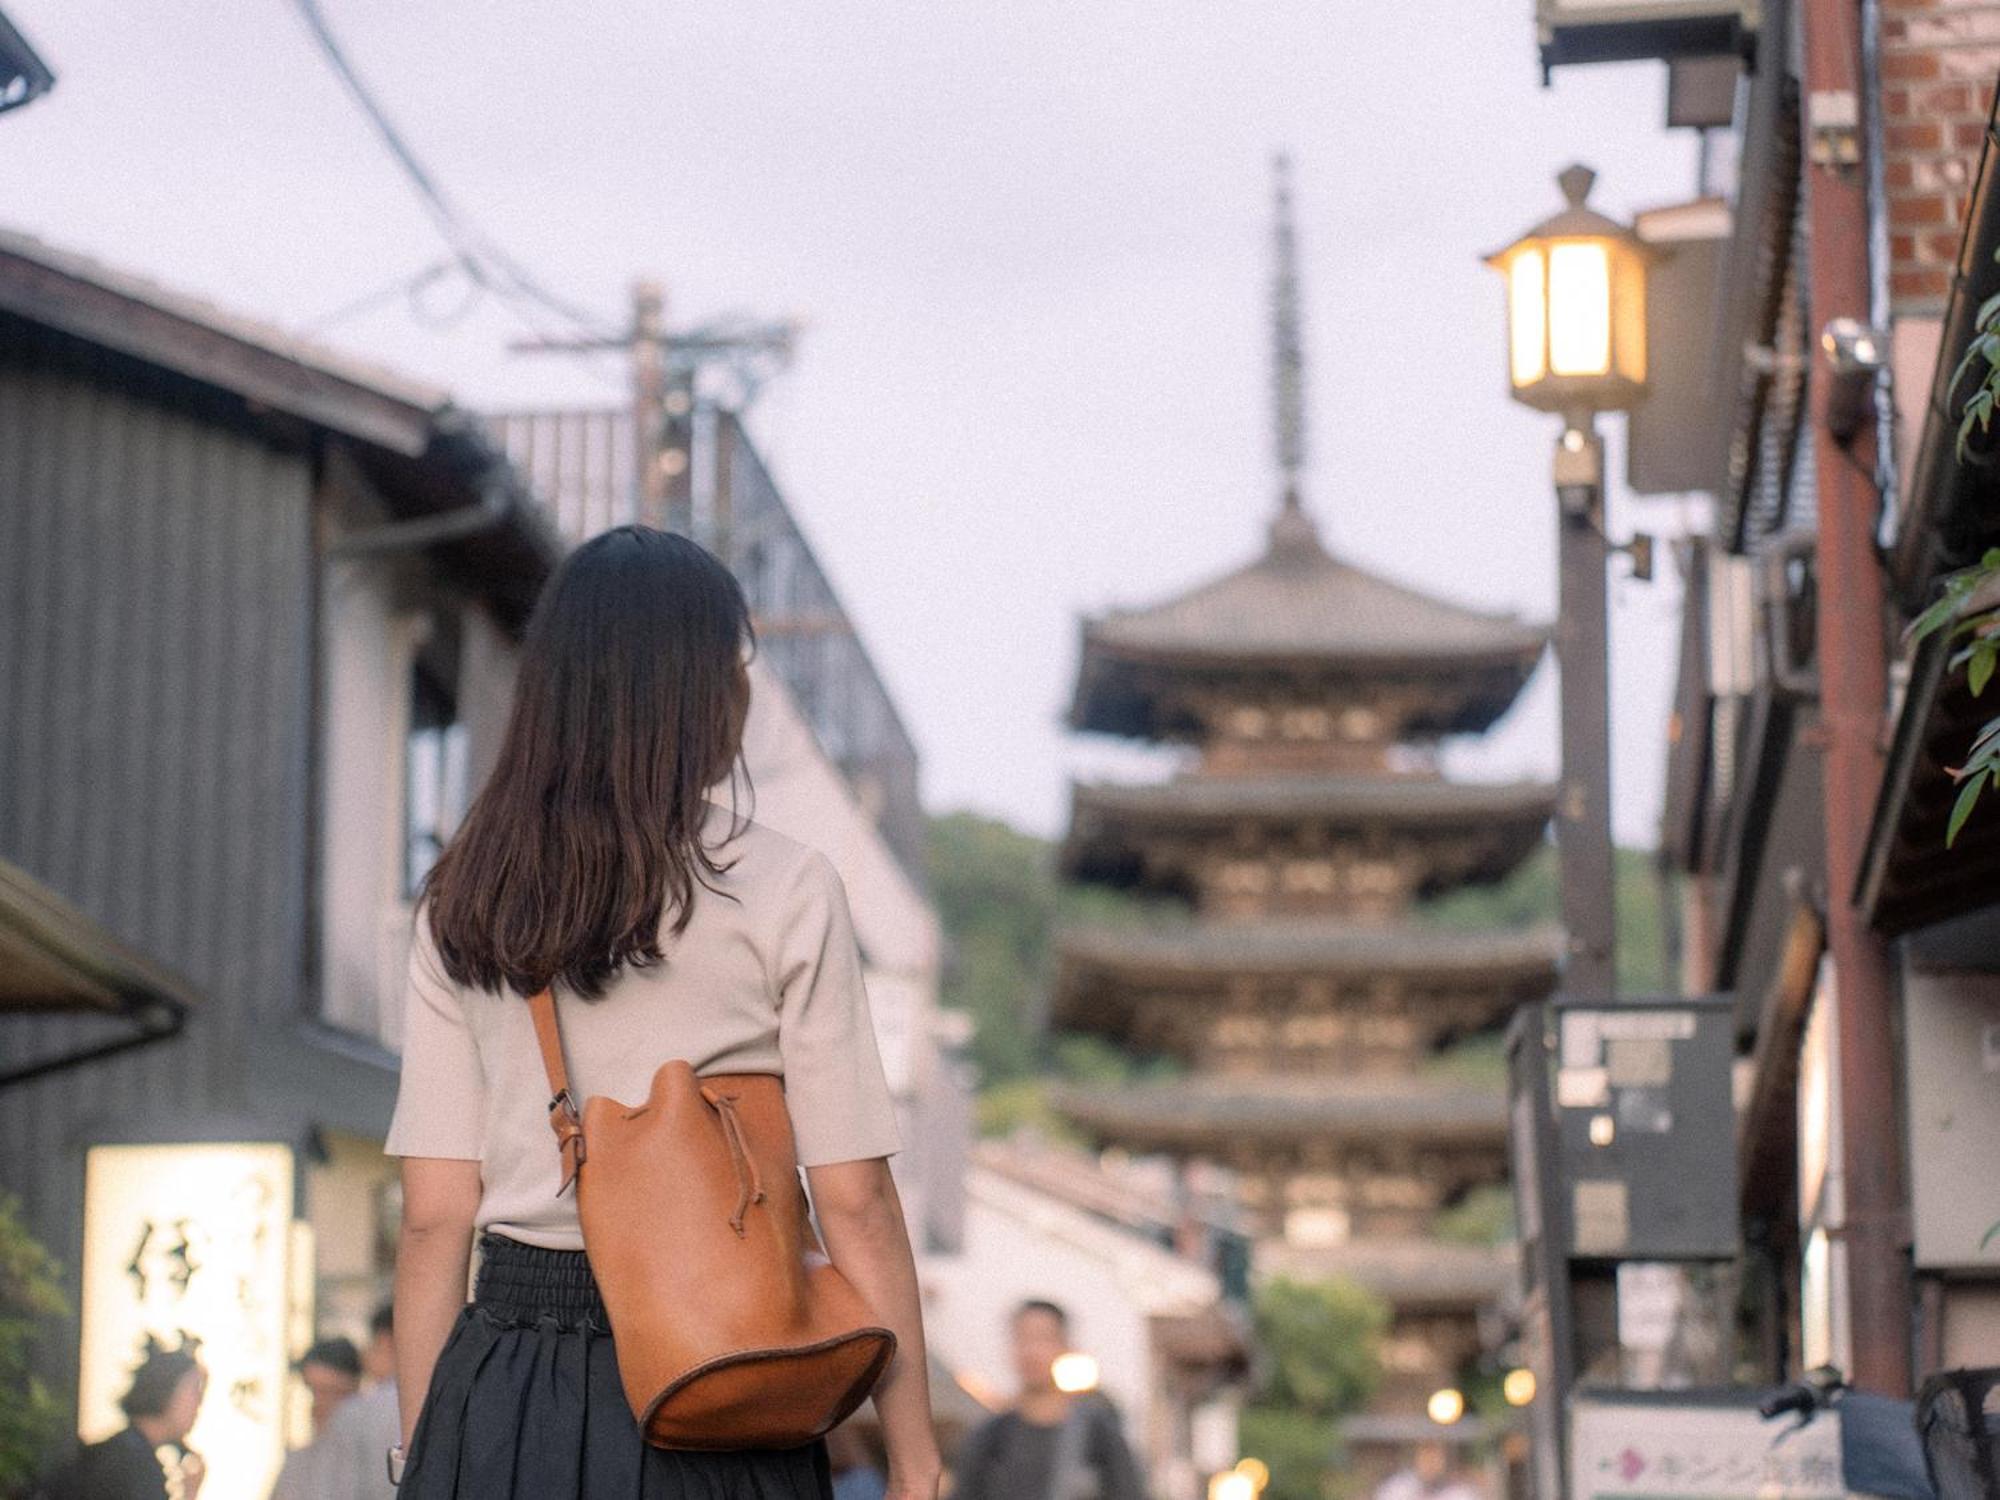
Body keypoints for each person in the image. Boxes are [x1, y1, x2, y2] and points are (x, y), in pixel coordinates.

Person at [385, 527, 938, 1500]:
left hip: (505, 1389)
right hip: (722, 1377)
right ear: (694, 694)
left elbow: (435, 1220)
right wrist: (914, 1457)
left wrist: (423, 1455)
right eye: (735, 669)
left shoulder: (462, 899)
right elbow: (853, 1200)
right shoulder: (781, 887)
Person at [950, 1301, 1146, 1500]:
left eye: (1043, 1338)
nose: (1032, 1351)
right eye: (1022, 1338)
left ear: (1065, 1346)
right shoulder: (990, 1438)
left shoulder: (1099, 1434)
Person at [40, 1347, 206, 1500]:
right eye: (194, 1391)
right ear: (167, 1390)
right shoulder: (135, 1468)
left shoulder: (119, 1452)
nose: (199, 1404)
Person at [269, 1307, 399, 1500]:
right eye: (312, 1391)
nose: (318, 1404)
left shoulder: (364, 1418)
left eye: (329, 1392)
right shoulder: (299, 1462)